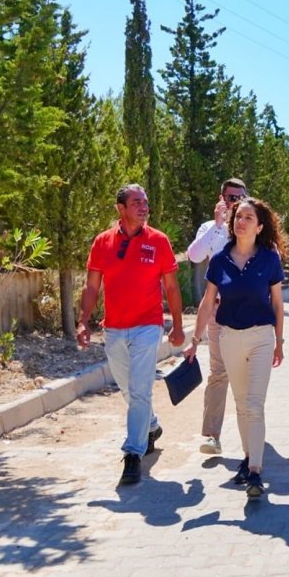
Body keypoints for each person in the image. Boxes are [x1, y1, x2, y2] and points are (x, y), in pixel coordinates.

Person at [76, 184, 185, 485]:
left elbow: (172, 287)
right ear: (120, 209)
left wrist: (176, 324)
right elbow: (91, 286)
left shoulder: (159, 241)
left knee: (139, 389)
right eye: (136, 202)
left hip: (148, 326)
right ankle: (150, 425)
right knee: (127, 388)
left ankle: (133, 454)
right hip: (114, 328)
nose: (144, 206)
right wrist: (84, 320)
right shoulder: (102, 242)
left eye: (146, 202)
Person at [183, 197, 285, 499]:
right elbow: (206, 303)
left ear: (260, 226)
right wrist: (195, 339)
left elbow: (278, 304)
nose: (241, 222)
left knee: (253, 404)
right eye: (238, 217)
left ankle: (255, 470)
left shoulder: (269, 258)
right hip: (228, 337)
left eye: (248, 218)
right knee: (242, 404)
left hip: (261, 337)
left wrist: (280, 341)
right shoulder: (219, 260)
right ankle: (248, 457)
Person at [186, 177, 248, 456]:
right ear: (221, 198)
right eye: (230, 197)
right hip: (219, 308)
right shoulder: (210, 229)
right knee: (218, 372)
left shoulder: (253, 226)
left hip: (248, 310)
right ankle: (212, 435)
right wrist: (219, 226)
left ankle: (251, 430)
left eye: (239, 197)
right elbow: (195, 256)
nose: (234, 202)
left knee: (245, 375)